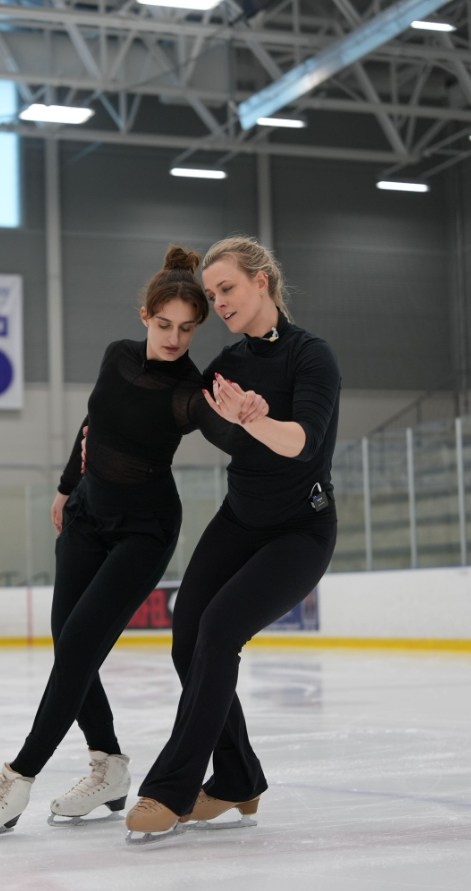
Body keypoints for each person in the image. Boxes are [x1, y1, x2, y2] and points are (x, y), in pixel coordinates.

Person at [0, 246, 269, 839]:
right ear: (144, 316)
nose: (175, 339)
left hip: (144, 533)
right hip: (88, 516)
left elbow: (234, 438)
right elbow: (93, 424)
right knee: (67, 642)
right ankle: (108, 764)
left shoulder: (189, 392)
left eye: (188, 330)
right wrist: (68, 487)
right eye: (165, 325)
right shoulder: (116, 357)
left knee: (75, 651)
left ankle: (15, 781)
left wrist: (251, 417)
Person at [125, 236, 341, 841]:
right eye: (213, 293)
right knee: (185, 638)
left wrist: (256, 418)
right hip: (239, 520)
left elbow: (301, 445)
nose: (218, 301)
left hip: (300, 529)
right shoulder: (226, 368)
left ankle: (171, 789)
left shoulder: (312, 357)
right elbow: (170, 411)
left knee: (219, 631)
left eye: (228, 289)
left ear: (262, 280)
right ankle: (238, 778)